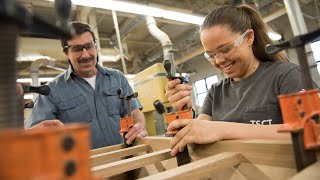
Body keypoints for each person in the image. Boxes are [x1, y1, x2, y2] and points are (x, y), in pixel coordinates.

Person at [165, 5, 318, 156]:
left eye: (225, 49)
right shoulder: (215, 92)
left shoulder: (286, 76)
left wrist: (221, 129)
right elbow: (198, 133)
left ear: (249, 37)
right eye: (211, 55)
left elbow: (312, 131)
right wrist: (182, 110)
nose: (218, 61)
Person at [25, 22, 147, 149]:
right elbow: (35, 134)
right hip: (84, 167)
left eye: (89, 46)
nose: (85, 55)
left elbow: (134, 112)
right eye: (77, 49)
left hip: (127, 159)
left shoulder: (117, 78)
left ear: (95, 46)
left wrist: (138, 127)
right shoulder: (51, 91)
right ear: (66, 53)